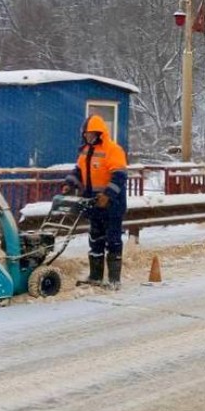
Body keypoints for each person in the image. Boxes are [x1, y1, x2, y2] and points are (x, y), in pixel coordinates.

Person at [63, 114, 128, 290]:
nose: (87, 137)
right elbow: (78, 170)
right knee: (95, 239)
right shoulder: (85, 151)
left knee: (113, 240)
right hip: (93, 203)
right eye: (85, 134)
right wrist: (70, 183)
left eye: (90, 134)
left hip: (112, 205)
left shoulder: (113, 150)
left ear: (99, 133)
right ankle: (95, 276)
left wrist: (107, 195)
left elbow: (120, 176)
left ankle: (114, 280)